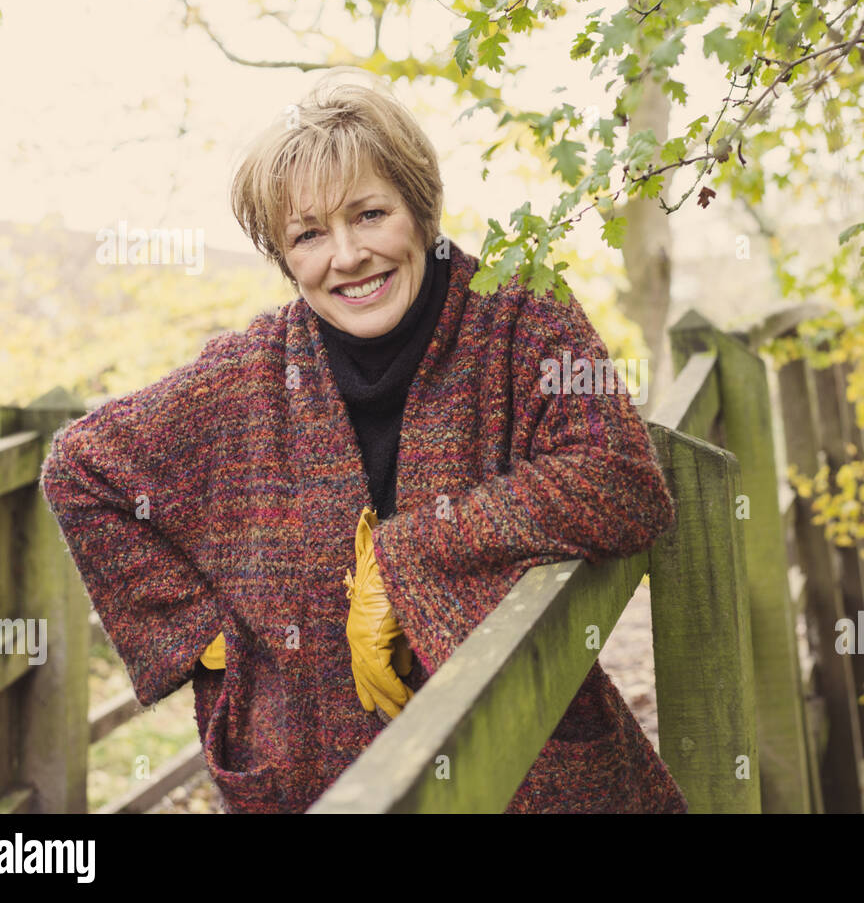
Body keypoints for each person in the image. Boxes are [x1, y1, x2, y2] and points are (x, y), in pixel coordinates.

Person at [39, 71, 688, 814]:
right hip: (316, 786)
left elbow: (622, 478)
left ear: (420, 207)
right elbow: (80, 469)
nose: (345, 255)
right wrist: (211, 645)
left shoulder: (519, 313)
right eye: (309, 234)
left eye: (370, 213)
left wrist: (402, 557)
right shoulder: (250, 372)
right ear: (286, 259)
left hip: (523, 766)